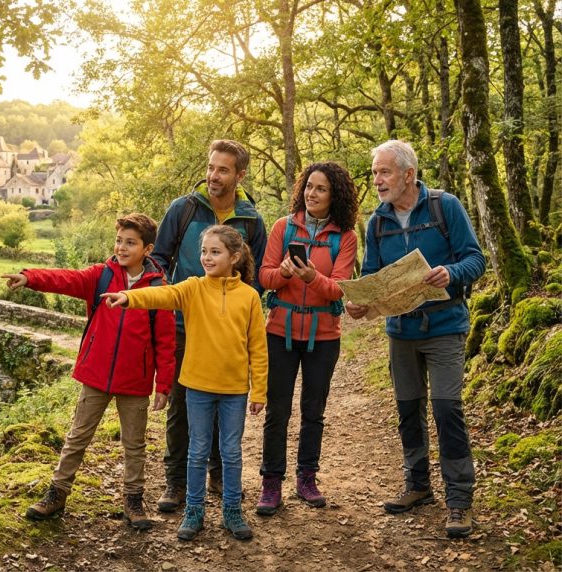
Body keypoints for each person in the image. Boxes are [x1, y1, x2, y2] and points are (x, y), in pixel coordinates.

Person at [345, 140, 485, 539]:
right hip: (400, 330)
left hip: (445, 326)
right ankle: (418, 485)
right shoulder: (377, 222)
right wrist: (360, 303)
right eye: (375, 172)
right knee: (408, 408)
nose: (377, 180)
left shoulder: (445, 206)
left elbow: (476, 259)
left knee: (446, 408)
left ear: (408, 174)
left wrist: (451, 273)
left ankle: (459, 499)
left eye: (384, 172)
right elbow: (372, 275)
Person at [5, 213, 177, 530]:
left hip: (135, 381)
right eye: (119, 241)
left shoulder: (158, 289)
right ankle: (57, 494)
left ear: (147, 249)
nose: (122, 248)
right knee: (77, 437)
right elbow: (65, 279)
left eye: (130, 243)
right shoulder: (101, 276)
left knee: (134, 445)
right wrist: (30, 277)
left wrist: (163, 385)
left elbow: (166, 342)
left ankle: (133, 500)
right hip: (96, 376)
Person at [102, 225, 267, 542]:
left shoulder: (249, 297)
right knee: (197, 451)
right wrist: (129, 297)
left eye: (215, 252)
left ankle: (232, 511)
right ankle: (194, 511)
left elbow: (258, 349)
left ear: (234, 257)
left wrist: (259, 390)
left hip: (234, 391)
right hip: (197, 387)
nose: (207, 257)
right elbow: (163, 294)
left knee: (231, 452)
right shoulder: (193, 288)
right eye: (204, 251)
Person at [151, 139, 267, 512]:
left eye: (223, 170)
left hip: (228, 330)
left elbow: (256, 277)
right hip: (183, 325)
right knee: (181, 406)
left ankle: (218, 475)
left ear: (240, 175)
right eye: (211, 167)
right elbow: (158, 260)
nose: (213, 176)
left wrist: (239, 314)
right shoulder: (182, 209)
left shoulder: (251, 220)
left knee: (223, 403)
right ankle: (176, 482)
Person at [255, 162, 359, 516]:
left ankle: (307, 479)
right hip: (279, 332)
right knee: (277, 411)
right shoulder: (283, 227)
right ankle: (271, 483)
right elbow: (264, 277)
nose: (311, 194)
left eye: (321, 189)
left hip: (324, 336)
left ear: (335, 196)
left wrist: (313, 277)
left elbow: (339, 289)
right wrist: (283, 273)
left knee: (313, 412)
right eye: (309, 186)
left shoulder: (346, 237)